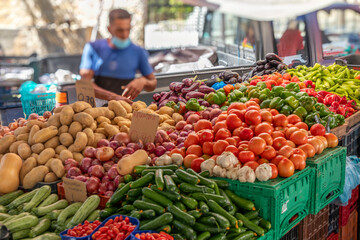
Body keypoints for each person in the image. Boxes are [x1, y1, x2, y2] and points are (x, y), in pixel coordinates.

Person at [79, 9, 157, 101]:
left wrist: (143, 81)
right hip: (97, 108)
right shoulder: (93, 48)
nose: (124, 35)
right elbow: (85, 84)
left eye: (128, 29)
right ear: (109, 29)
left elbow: (153, 83)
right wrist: (112, 97)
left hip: (125, 108)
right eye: (120, 30)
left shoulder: (138, 51)